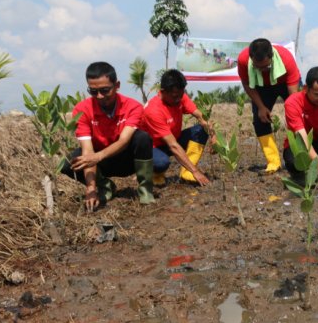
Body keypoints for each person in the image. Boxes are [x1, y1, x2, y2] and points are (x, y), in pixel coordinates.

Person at [61, 61, 154, 211]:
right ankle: (105, 186)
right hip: (101, 164)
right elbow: (87, 151)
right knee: (68, 163)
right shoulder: (82, 110)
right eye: (93, 91)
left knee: (142, 137)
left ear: (117, 85)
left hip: (126, 160)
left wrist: (97, 157)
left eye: (105, 90)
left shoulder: (133, 106)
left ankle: (145, 190)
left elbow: (124, 140)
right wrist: (91, 189)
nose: (99, 96)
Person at [140, 69, 215, 186]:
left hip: (172, 140)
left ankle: (187, 173)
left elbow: (201, 117)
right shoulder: (153, 110)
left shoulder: (180, 97)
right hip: (153, 147)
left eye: (180, 95)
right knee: (161, 163)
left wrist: (213, 136)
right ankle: (155, 173)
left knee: (200, 130)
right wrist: (196, 171)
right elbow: (173, 146)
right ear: (162, 92)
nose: (178, 99)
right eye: (175, 96)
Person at [237, 38, 301, 173]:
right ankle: (273, 161)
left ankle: (297, 153)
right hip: (261, 86)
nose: (262, 70)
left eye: (266, 66)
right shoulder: (243, 60)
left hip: (284, 83)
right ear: (251, 59)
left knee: (297, 116)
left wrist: (292, 114)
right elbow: (247, 84)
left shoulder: (286, 60)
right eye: (257, 67)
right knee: (260, 120)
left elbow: (294, 98)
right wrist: (260, 107)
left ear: (271, 57)